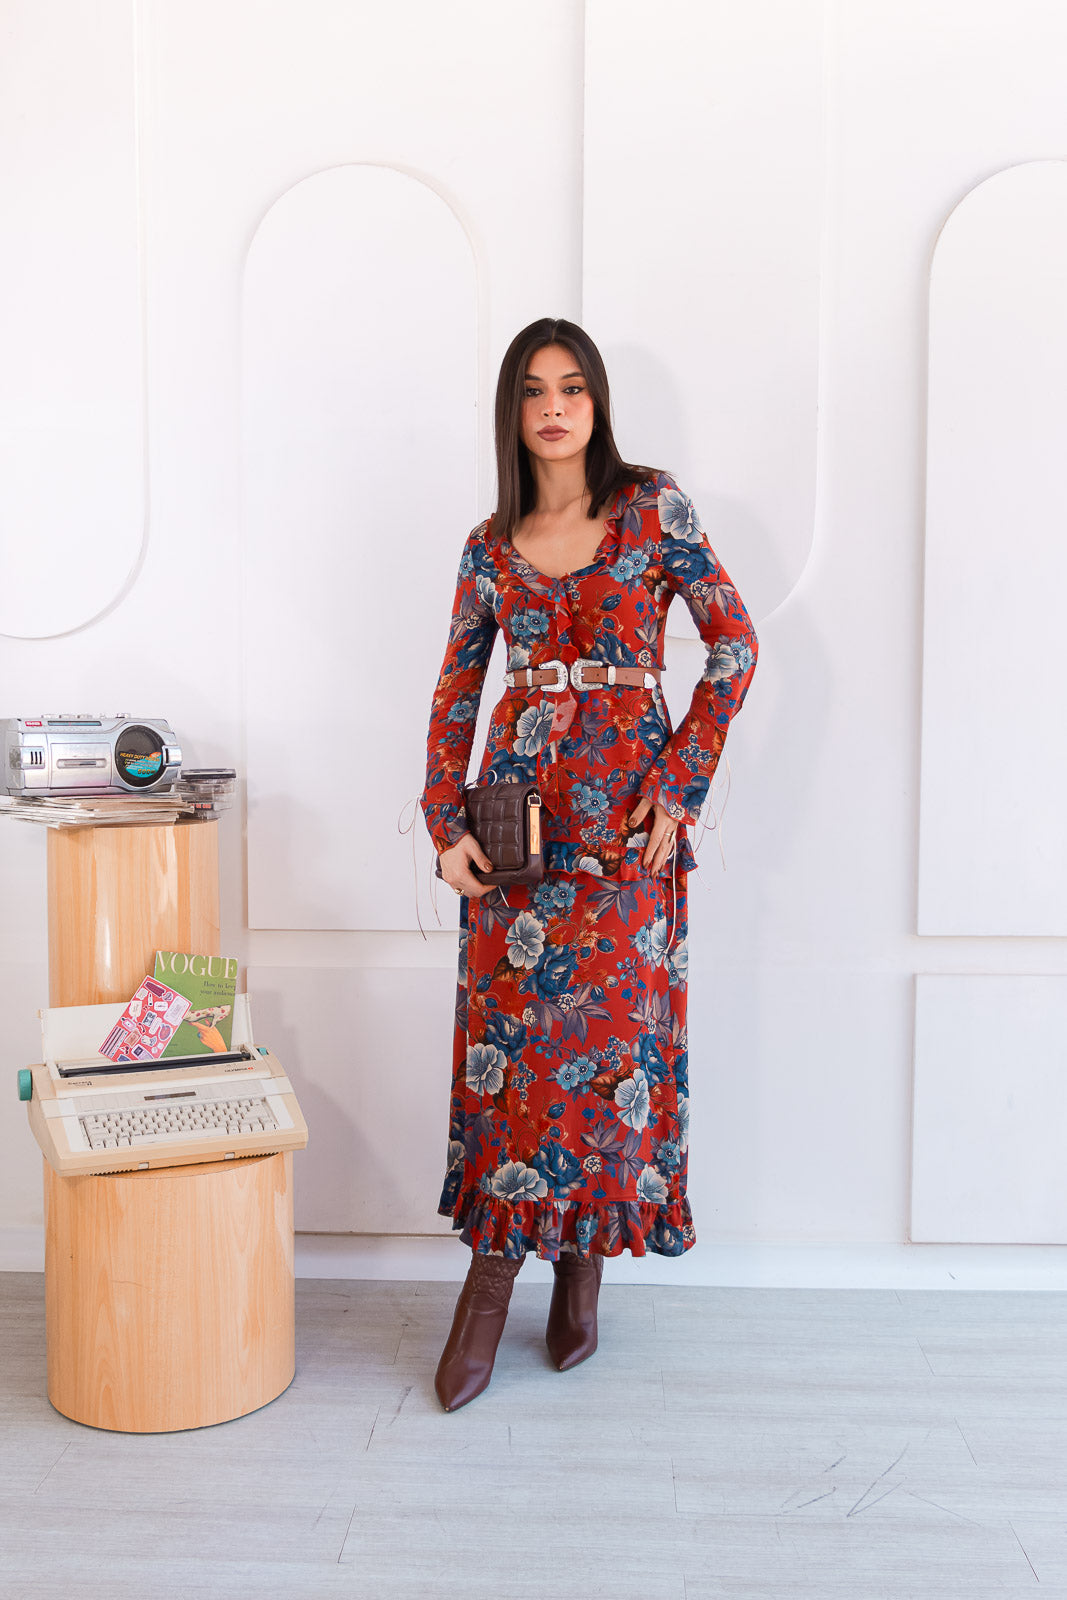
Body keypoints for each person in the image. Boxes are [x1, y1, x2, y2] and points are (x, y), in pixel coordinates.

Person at [420, 317, 758, 1411]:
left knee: (606, 1053)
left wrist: (682, 782)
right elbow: (456, 690)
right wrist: (442, 822)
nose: (554, 407)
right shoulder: (489, 544)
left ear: (597, 402)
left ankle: (582, 1264)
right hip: (516, 832)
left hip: (625, 827)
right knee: (511, 1054)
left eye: (571, 387)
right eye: (533, 390)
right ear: (512, 412)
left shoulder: (652, 507)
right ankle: (488, 1287)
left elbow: (734, 643)